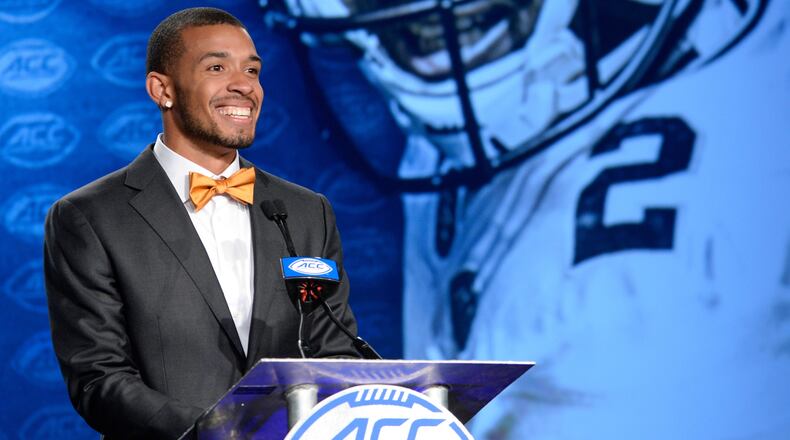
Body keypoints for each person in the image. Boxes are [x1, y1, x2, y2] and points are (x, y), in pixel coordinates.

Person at [43, 7, 360, 439]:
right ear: (162, 90)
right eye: (216, 67)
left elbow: (334, 349)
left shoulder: (306, 211)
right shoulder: (90, 217)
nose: (244, 85)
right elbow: (99, 380)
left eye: (252, 69)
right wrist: (220, 431)